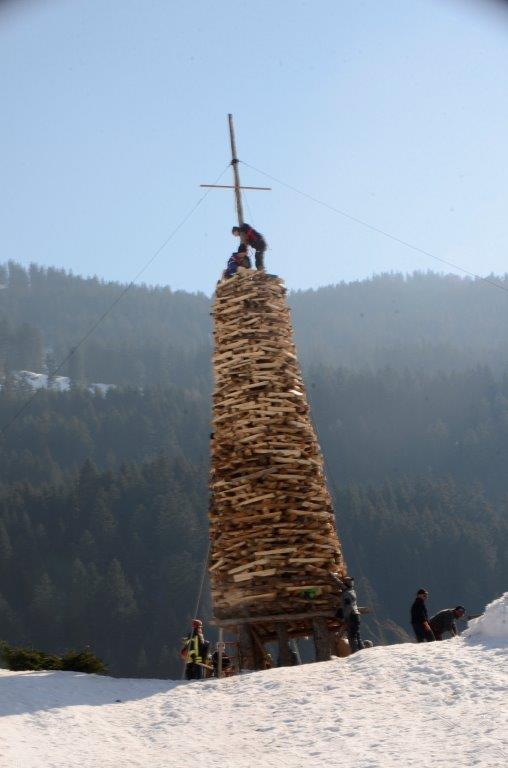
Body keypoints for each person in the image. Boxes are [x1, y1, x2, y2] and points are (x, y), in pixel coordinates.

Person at [331, 573, 364, 653]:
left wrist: (331, 575)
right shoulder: (352, 591)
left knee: (352, 636)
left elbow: (348, 607)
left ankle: (355, 653)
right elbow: (341, 584)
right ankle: (362, 652)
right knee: (357, 635)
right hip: (356, 615)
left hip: (351, 616)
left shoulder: (346, 593)